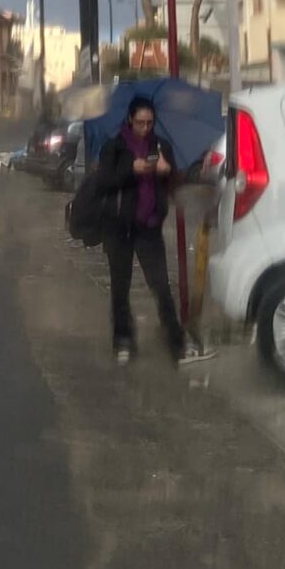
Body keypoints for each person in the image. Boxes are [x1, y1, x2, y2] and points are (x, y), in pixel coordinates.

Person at [95, 95, 211, 367]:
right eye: (139, 123)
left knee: (161, 287)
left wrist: (166, 170)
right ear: (129, 120)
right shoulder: (115, 147)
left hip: (149, 227)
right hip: (119, 228)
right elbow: (103, 183)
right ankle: (123, 341)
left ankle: (176, 344)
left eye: (149, 123)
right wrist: (130, 169)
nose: (145, 128)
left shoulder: (161, 146)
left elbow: (173, 185)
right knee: (120, 289)